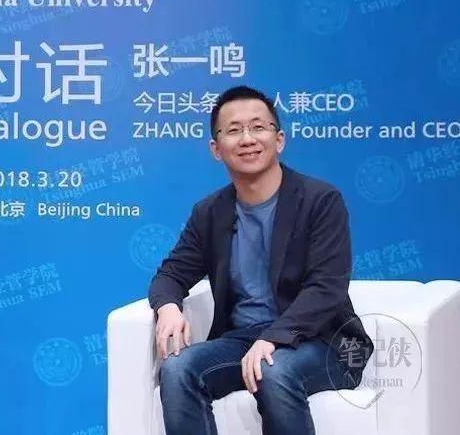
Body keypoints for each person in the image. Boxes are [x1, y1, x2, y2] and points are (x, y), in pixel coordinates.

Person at [148, 85, 373, 435]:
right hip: (243, 340)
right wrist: (168, 308)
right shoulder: (210, 212)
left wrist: (274, 338)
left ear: (279, 140)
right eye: (234, 130)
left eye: (258, 127)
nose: (247, 139)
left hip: (326, 342)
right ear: (216, 149)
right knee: (177, 369)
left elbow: (326, 287)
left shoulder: (320, 200)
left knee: (273, 368)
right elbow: (171, 273)